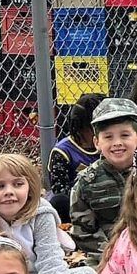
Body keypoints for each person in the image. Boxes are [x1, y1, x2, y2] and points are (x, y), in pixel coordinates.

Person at [69, 98, 137, 265]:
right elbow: (84, 232)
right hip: (106, 257)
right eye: (108, 137)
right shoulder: (87, 182)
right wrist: (114, 257)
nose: (117, 143)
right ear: (97, 142)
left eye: (125, 135)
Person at [47, 93, 103, 222]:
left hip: (108, 197)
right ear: (81, 126)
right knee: (60, 201)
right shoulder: (63, 152)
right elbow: (60, 190)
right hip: (78, 203)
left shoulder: (110, 145)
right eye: (98, 126)